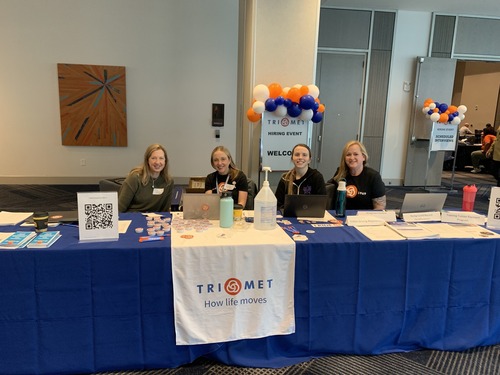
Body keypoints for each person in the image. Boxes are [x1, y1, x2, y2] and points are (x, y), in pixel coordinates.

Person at [327, 140, 386, 210]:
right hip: (341, 217)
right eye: (348, 155)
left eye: (355, 154)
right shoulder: (340, 173)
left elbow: (379, 207)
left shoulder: (373, 177)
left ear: (363, 157)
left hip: (363, 219)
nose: (352, 158)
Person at [118, 144, 174, 212]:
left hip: (154, 220)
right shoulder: (135, 178)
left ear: (165, 161)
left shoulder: (168, 181)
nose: (157, 162)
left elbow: (165, 211)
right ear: (147, 160)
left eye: (161, 158)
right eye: (153, 158)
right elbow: (119, 209)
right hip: (132, 218)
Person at [275, 144, 327, 210]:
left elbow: (321, 205)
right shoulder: (285, 178)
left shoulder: (317, 177)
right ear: (292, 158)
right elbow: (277, 205)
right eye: (297, 155)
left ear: (309, 159)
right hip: (288, 217)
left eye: (304, 155)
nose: (300, 157)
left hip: (310, 217)